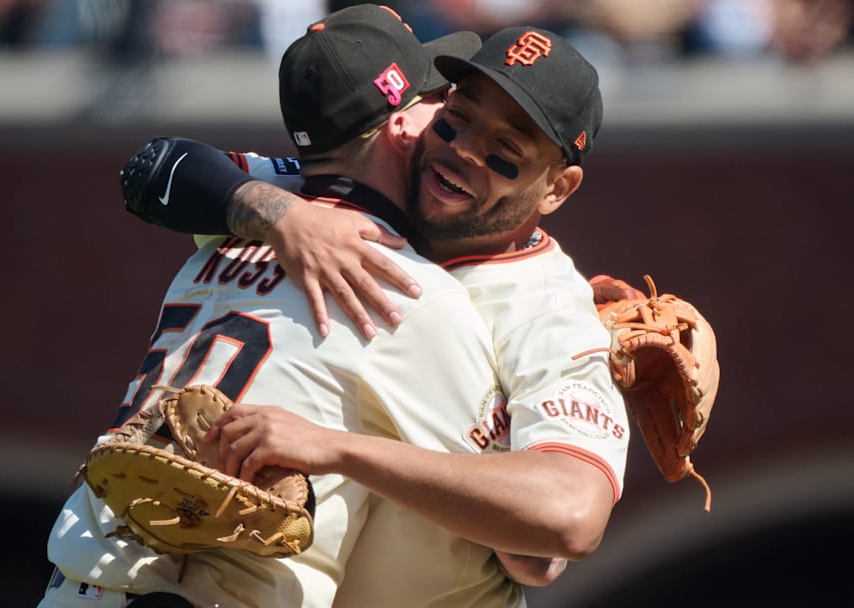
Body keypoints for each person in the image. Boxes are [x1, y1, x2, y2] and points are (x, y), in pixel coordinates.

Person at [122, 21, 632, 608]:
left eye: (505, 152)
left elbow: (555, 535)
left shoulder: (548, 311)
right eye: (456, 117)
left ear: (558, 189)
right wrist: (280, 217)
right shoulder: (337, 199)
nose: (464, 149)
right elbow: (156, 166)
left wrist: (339, 448)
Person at [38, 7, 513, 608]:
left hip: (77, 584)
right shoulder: (411, 294)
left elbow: (160, 166)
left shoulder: (226, 229)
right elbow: (526, 545)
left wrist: (280, 215)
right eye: (438, 104)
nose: (450, 125)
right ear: (400, 127)